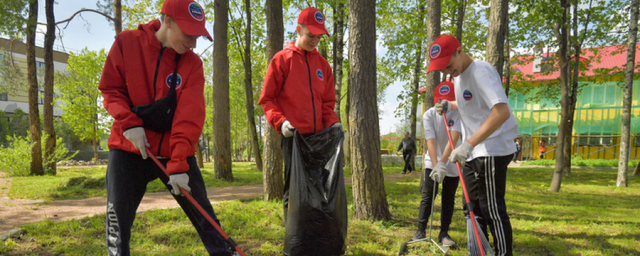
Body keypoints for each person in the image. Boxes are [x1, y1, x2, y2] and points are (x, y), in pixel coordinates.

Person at [98, 1, 232, 255]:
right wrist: (129, 123)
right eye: (189, 34)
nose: (193, 43)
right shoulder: (126, 44)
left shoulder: (192, 65)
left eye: (198, 36)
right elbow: (111, 89)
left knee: (206, 219)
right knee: (118, 221)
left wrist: (180, 163)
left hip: (173, 150)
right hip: (129, 148)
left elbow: (188, 118)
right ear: (167, 21)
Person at [258, 6, 344, 255]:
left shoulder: (323, 66)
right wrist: (280, 122)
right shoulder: (282, 60)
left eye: (319, 37)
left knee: (320, 193)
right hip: (293, 138)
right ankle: (296, 241)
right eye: (311, 36)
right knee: (295, 192)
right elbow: (267, 99)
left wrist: (334, 123)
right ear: (299, 29)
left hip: (320, 143)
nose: (315, 41)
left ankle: (316, 239)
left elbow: (327, 104)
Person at [429, 34, 517, 256]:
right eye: (443, 69)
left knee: (491, 208)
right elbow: (473, 103)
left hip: (492, 148)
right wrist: (451, 104)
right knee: (471, 208)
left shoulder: (481, 71)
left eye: (448, 65)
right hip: (473, 151)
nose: (447, 72)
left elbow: (501, 111)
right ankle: (479, 251)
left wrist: (468, 144)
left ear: (460, 50)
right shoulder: (458, 78)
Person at [412, 81, 461, 247]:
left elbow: (453, 139)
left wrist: (444, 163)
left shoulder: (459, 113)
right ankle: (420, 231)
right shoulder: (429, 115)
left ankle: (444, 234)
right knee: (428, 195)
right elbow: (430, 142)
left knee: (449, 197)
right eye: (440, 101)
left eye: (447, 101)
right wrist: (436, 165)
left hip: (453, 158)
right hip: (432, 159)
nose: (443, 105)